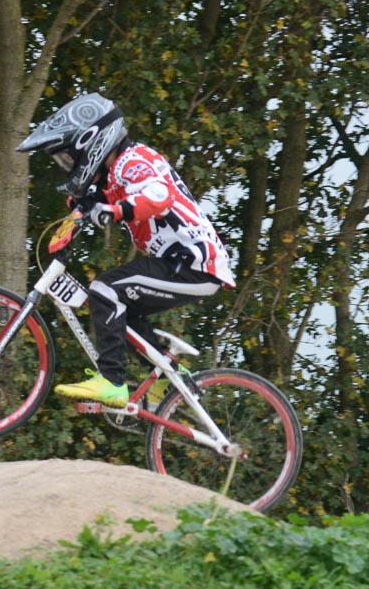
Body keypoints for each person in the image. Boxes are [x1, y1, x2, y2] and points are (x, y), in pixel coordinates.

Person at [17, 92, 235, 407]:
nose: (68, 166)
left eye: (68, 159)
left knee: (105, 290)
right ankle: (167, 379)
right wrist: (84, 208)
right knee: (122, 311)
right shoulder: (116, 174)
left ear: (91, 144)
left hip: (194, 264)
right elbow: (103, 198)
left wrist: (116, 211)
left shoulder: (132, 161)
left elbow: (158, 196)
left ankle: (112, 381)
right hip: (184, 264)